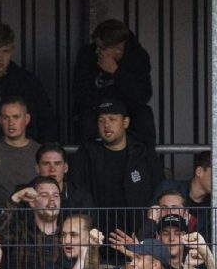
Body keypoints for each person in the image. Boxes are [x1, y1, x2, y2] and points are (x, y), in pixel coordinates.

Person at [67, 99, 164, 238]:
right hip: (97, 239)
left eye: (112, 119)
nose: (106, 125)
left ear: (125, 122)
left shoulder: (143, 155)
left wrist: (146, 230)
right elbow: (76, 193)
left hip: (138, 240)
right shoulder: (86, 155)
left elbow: (159, 191)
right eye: (101, 120)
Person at [69, 19, 155, 144]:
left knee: (145, 117)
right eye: (96, 46)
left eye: (102, 48)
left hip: (127, 111)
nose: (97, 51)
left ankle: (147, 161)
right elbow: (80, 92)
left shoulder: (137, 57)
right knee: (86, 120)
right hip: (97, 109)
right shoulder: (87, 54)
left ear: (118, 49)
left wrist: (116, 71)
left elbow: (143, 96)